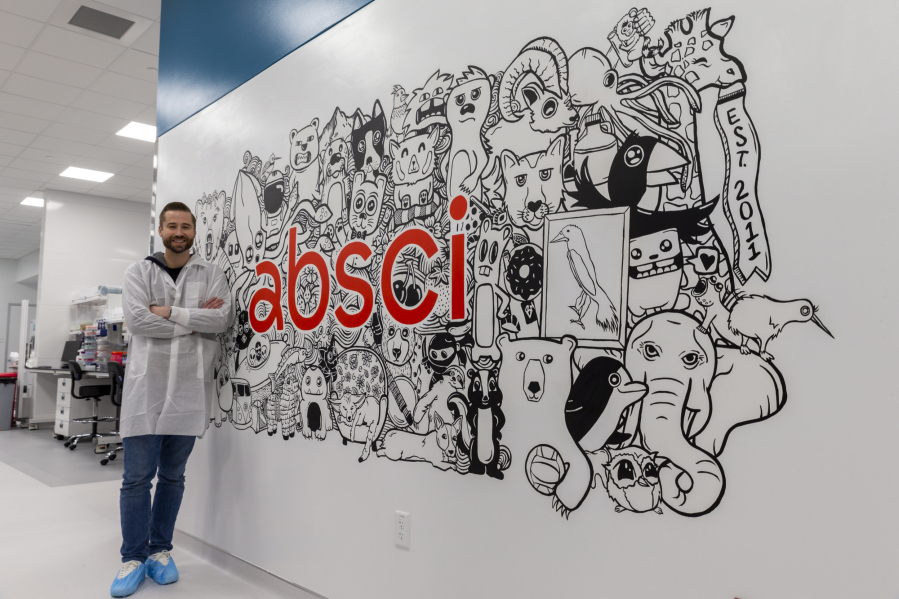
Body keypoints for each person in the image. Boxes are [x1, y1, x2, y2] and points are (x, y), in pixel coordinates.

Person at [111, 202, 234, 597]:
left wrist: (169, 313)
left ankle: (160, 552)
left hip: (187, 390)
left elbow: (221, 320)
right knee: (135, 480)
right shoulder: (138, 271)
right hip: (146, 389)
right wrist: (192, 321)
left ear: (194, 232)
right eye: (172, 226)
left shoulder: (211, 273)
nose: (179, 232)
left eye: (186, 226)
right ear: (160, 230)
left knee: (172, 477)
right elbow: (137, 321)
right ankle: (133, 556)